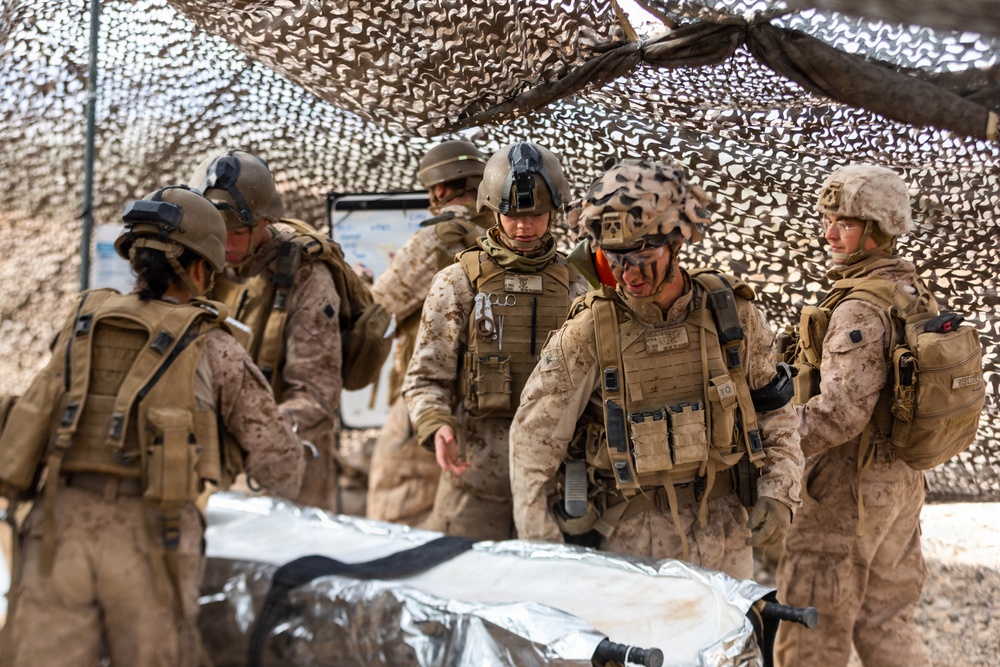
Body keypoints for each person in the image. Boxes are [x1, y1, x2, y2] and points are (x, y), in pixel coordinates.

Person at [0, 186, 305, 667]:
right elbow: (281, 467)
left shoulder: (81, 322)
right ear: (201, 268)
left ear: (136, 259)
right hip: (153, 539)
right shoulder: (215, 346)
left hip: (56, 526)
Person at [509, 158, 803, 580]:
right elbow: (533, 443)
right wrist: (546, 557)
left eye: (644, 253)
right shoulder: (591, 330)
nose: (629, 273)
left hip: (723, 539)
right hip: (631, 548)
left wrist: (779, 491)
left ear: (677, 243)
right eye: (615, 257)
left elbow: (776, 412)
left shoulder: (730, 315)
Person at [775, 165, 930, 666]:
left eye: (844, 223)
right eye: (828, 219)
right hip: (901, 482)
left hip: (847, 488)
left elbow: (838, 415)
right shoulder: (912, 292)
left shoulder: (860, 308)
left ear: (878, 229)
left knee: (810, 627)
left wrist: (766, 438)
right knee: (886, 621)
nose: (829, 233)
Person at [402, 141, 589, 541]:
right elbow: (424, 378)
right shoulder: (458, 282)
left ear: (554, 211)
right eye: (512, 215)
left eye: (536, 214)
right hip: (475, 482)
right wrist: (436, 425)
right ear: (491, 208)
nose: (524, 227)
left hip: (551, 486)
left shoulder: (578, 286)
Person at [188, 150, 343, 511]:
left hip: (288, 460)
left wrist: (259, 434)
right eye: (216, 230)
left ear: (263, 222)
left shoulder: (307, 276)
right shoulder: (196, 265)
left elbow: (316, 395)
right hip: (211, 457)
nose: (224, 244)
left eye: (238, 232)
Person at [366, 139, 492, 526]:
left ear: (439, 189)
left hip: (429, 397)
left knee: (400, 508)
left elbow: (381, 306)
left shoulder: (440, 235)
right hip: (491, 399)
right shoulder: (503, 235)